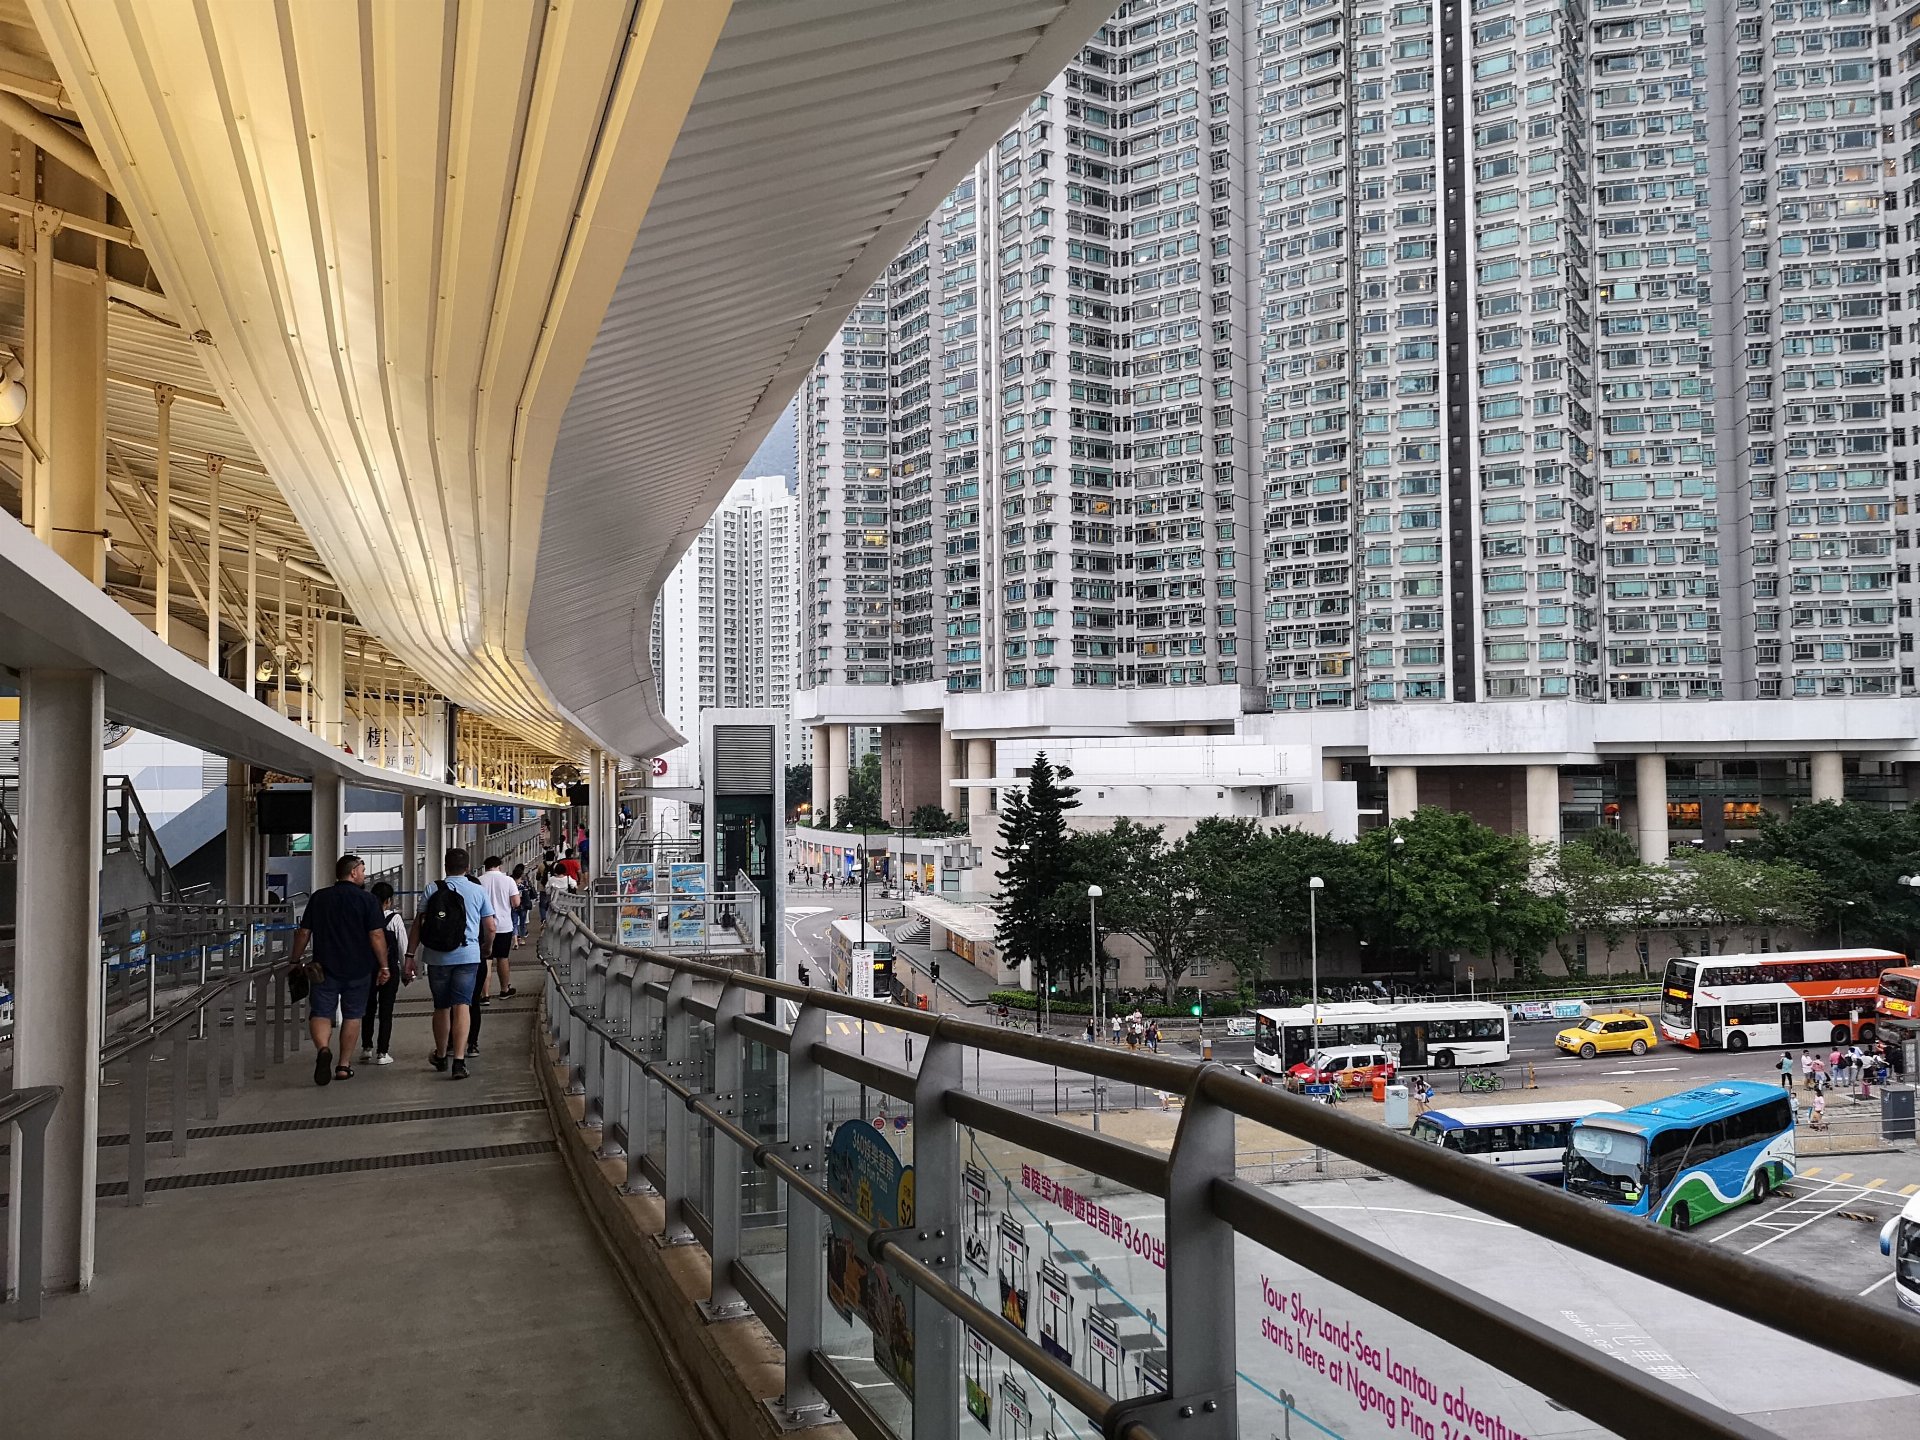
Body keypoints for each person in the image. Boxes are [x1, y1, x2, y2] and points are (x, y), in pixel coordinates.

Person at [288, 854, 388, 1086]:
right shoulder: (368, 900)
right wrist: (384, 965)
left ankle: (323, 1049)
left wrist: (294, 960)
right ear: (353, 872)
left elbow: (304, 932)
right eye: (362, 870)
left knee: (321, 1013)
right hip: (359, 968)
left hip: (324, 967)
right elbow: (376, 935)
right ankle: (343, 1066)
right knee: (353, 1015)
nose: (364, 874)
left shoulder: (320, 898)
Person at [407, 848, 496, 1080]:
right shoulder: (477, 890)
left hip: (437, 957)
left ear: (445, 867)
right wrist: (486, 948)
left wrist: (409, 956)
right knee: (462, 1005)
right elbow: (491, 927)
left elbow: (418, 924)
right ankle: (459, 1060)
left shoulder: (432, 889)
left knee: (441, 1006)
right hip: (468, 955)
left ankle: (440, 1055)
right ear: (467, 868)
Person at [360, 881, 407, 1066]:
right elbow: (402, 946)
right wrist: (407, 970)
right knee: (386, 1011)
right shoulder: (395, 919)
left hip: (368, 969)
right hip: (389, 969)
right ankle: (382, 1052)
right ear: (389, 900)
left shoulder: (365, 918)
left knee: (368, 1009)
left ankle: (366, 1048)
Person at [478, 855, 520, 1000]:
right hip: (504, 926)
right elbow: (516, 902)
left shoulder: (479, 881)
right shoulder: (508, 880)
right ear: (499, 866)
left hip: (484, 926)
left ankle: (485, 995)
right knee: (502, 958)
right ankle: (504, 990)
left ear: (485, 867)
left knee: (486, 959)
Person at [513, 863, 536, 948]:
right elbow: (528, 892)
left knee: (514, 923)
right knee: (522, 923)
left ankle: (515, 941)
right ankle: (522, 939)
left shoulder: (511, 884)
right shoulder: (524, 884)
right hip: (523, 906)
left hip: (513, 906)